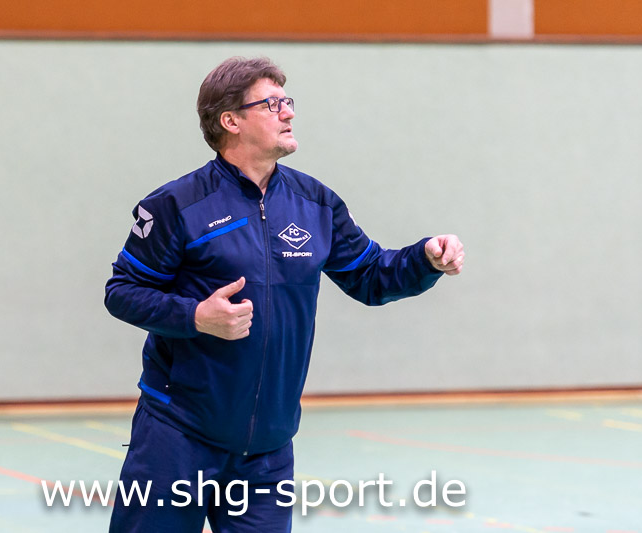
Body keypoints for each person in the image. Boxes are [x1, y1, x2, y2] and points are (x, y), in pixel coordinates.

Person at [104, 56, 464, 532]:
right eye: (271, 104)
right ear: (230, 121)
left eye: (287, 101)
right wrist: (196, 317)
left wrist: (426, 258)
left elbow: (371, 276)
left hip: (268, 449)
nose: (289, 112)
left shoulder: (316, 204)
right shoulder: (177, 206)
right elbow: (122, 291)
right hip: (178, 434)